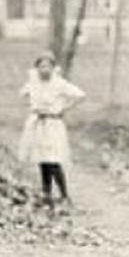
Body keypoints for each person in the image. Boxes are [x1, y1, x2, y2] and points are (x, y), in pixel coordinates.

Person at [17, 52, 85, 208]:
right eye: (41, 66)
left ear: (53, 68)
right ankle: (46, 193)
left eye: (47, 66)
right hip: (37, 124)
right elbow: (23, 94)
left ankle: (64, 195)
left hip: (53, 124)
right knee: (42, 159)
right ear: (37, 68)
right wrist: (34, 107)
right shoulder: (33, 83)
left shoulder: (59, 84)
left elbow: (80, 95)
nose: (44, 70)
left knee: (53, 159)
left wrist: (62, 109)